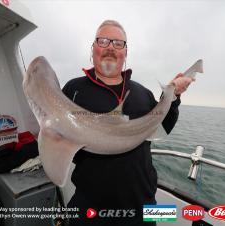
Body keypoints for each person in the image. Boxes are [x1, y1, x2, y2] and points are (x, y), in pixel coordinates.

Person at [62, 20, 194, 226]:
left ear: (126, 52)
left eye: (118, 43)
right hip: (89, 208)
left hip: (144, 206)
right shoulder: (73, 89)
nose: (110, 48)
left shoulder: (142, 93)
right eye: (103, 41)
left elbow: (162, 127)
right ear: (93, 48)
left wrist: (173, 96)